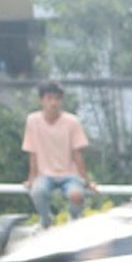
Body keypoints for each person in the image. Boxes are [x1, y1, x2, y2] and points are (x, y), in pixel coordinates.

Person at [22, 81, 93, 228]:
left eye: (57, 99)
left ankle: (74, 221)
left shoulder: (72, 122)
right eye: (49, 98)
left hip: (69, 173)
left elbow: (78, 153)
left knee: (76, 194)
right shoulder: (33, 121)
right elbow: (32, 151)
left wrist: (85, 179)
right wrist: (31, 178)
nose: (53, 103)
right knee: (37, 191)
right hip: (45, 174)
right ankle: (46, 222)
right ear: (41, 100)